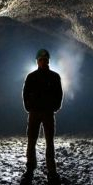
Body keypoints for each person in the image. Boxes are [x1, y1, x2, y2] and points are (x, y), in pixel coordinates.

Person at [23, 48, 63, 177]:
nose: (43, 62)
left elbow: (59, 93)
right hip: (35, 112)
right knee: (31, 139)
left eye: (45, 60)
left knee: (49, 140)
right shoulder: (31, 77)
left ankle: (50, 165)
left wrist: (55, 107)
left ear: (48, 61)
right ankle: (30, 163)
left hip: (47, 112)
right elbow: (25, 93)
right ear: (37, 61)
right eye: (41, 60)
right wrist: (28, 107)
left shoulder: (54, 77)